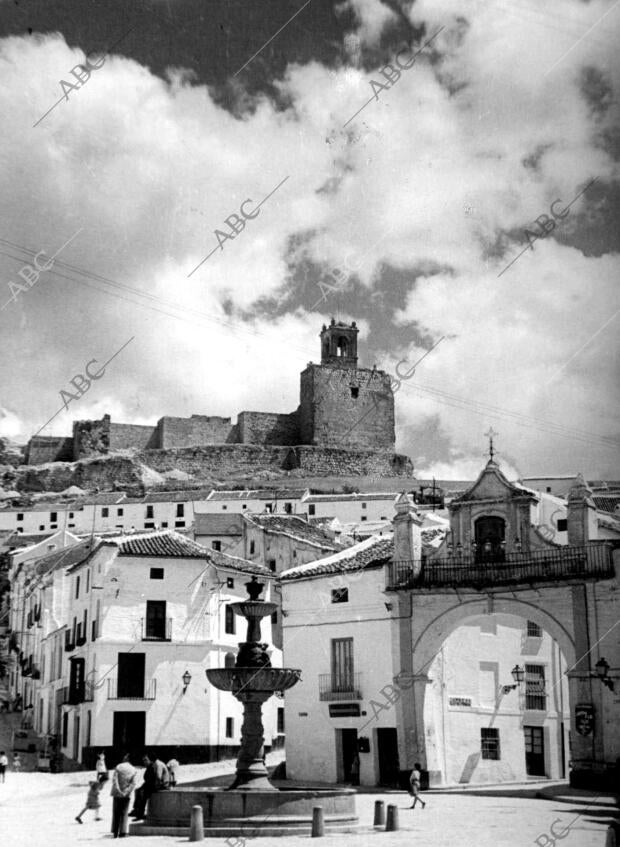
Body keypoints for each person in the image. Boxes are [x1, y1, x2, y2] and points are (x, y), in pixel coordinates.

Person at [129, 754, 170, 821]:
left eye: (146, 760)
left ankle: (139, 813)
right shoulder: (153, 765)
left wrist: (151, 785)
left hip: (162, 785)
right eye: (143, 760)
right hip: (157, 784)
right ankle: (137, 810)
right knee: (139, 790)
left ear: (150, 760)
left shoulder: (157, 764)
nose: (144, 762)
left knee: (143, 793)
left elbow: (158, 777)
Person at [110, 753, 137, 839]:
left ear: (126, 758)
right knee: (124, 813)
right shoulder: (133, 769)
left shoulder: (119, 766)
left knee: (116, 812)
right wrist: (126, 791)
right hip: (126, 794)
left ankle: (115, 831)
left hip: (117, 793)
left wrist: (118, 790)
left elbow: (115, 780)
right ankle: (123, 831)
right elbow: (133, 783)